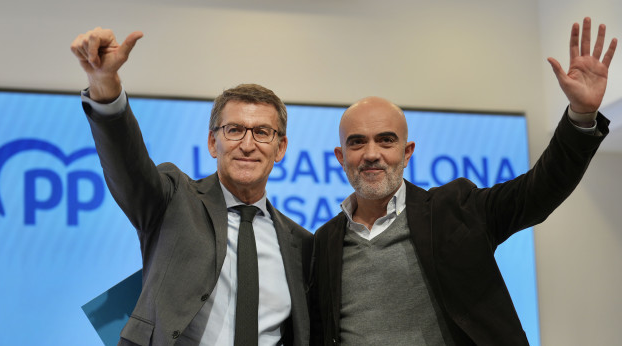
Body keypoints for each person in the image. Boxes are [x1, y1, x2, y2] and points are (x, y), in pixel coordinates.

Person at [309, 17, 617, 345]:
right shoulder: (323, 243)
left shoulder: (456, 209)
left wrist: (581, 116)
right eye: (357, 142)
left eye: (386, 140)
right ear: (341, 157)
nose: (372, 154)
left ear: (407, 151)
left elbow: (538, 191)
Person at [70, 28, 313, 346]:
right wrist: (105, 87)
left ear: (280, 148)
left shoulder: (302, 245)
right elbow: (126, 166)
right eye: (234, 129)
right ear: (213, 143)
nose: (247, 144)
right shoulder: (174, 199)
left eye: (263, 132)